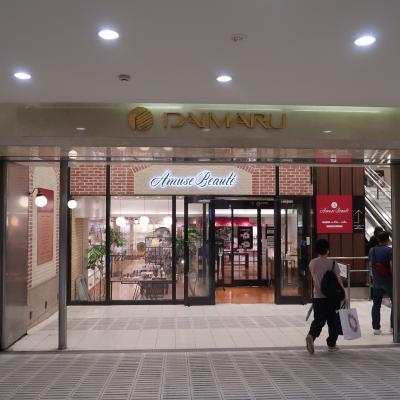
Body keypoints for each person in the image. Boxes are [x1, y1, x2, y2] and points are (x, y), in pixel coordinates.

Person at [306, 239, 345, 354]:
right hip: (332, 297)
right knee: (333, 321)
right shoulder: (333, 263)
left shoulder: (312, 263)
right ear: (328, 250)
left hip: (318, 296)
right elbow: (338, 280)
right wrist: (344, 294)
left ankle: (311, 335)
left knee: (319, 320)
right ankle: (331, 344)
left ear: (317, 250)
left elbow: (314, 277)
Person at [369, 231, 393, 335]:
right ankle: (393, 327)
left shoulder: (372, 250)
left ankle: (376, 328)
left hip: (376, 281)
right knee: (395, 303)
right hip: (389, 281)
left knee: (376, 305)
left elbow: (370, 265)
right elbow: (392, 267)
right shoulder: (390, 250)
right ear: (387, 239)